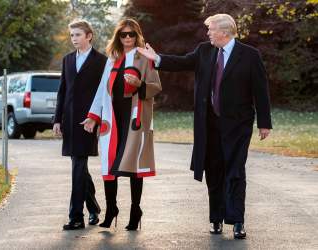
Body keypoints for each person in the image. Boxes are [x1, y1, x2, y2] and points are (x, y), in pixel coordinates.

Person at [137, 13, 272, 239]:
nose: (207, 33)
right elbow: (182, 62)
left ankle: (237, 221)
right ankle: (216, 219)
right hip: (208, 124)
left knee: (236, 171)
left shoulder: (249, 55)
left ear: (224, 32)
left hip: (238, 125)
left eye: (211, 29)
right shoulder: (204, 51)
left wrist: (264, 123)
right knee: (213, 172)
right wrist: (157, 58)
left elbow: (260, 90)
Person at [81, 18, 161, 230]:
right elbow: (101, 90)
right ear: (118, 36)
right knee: (109, 165)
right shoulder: (112, 59)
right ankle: (111, 209)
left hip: (134, 118)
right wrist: (93, 115)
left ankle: (136, 210)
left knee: (134, 166)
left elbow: (155, 86)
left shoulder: (144, 57)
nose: (127, 38)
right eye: (123, 34)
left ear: (137, 35)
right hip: (113, 118)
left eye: (131, 34)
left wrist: (139, 84)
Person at [53, 20, 107, 230]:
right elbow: (62, 91)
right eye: (72, 35)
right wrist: (57, 119)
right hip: (69, 121)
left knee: (78, 165)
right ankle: (93, 208)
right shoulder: (67, 60)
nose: (74, 38)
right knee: (79, 166)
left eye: (77, 35)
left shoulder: (101, 61)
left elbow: (104, 94)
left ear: (89, 36)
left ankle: (76, 217)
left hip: (88, 121)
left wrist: (97, 118)